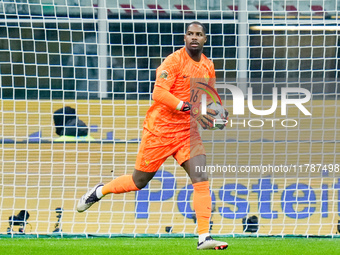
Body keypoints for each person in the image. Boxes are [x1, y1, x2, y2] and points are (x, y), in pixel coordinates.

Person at [77, 21, 228, 250]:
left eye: (198, 34)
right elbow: (158, 92)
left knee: (200, 178)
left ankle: (204, 237)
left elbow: (208, 98)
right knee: (139, 182)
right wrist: (187, 107)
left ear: (205, 39)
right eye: (190, 34)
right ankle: (100, 190)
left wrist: (217, 113)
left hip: (187, 132)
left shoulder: (207, 66)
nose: (194, 37)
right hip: (159, 130)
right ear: (184, 38)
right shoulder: (174, 61)